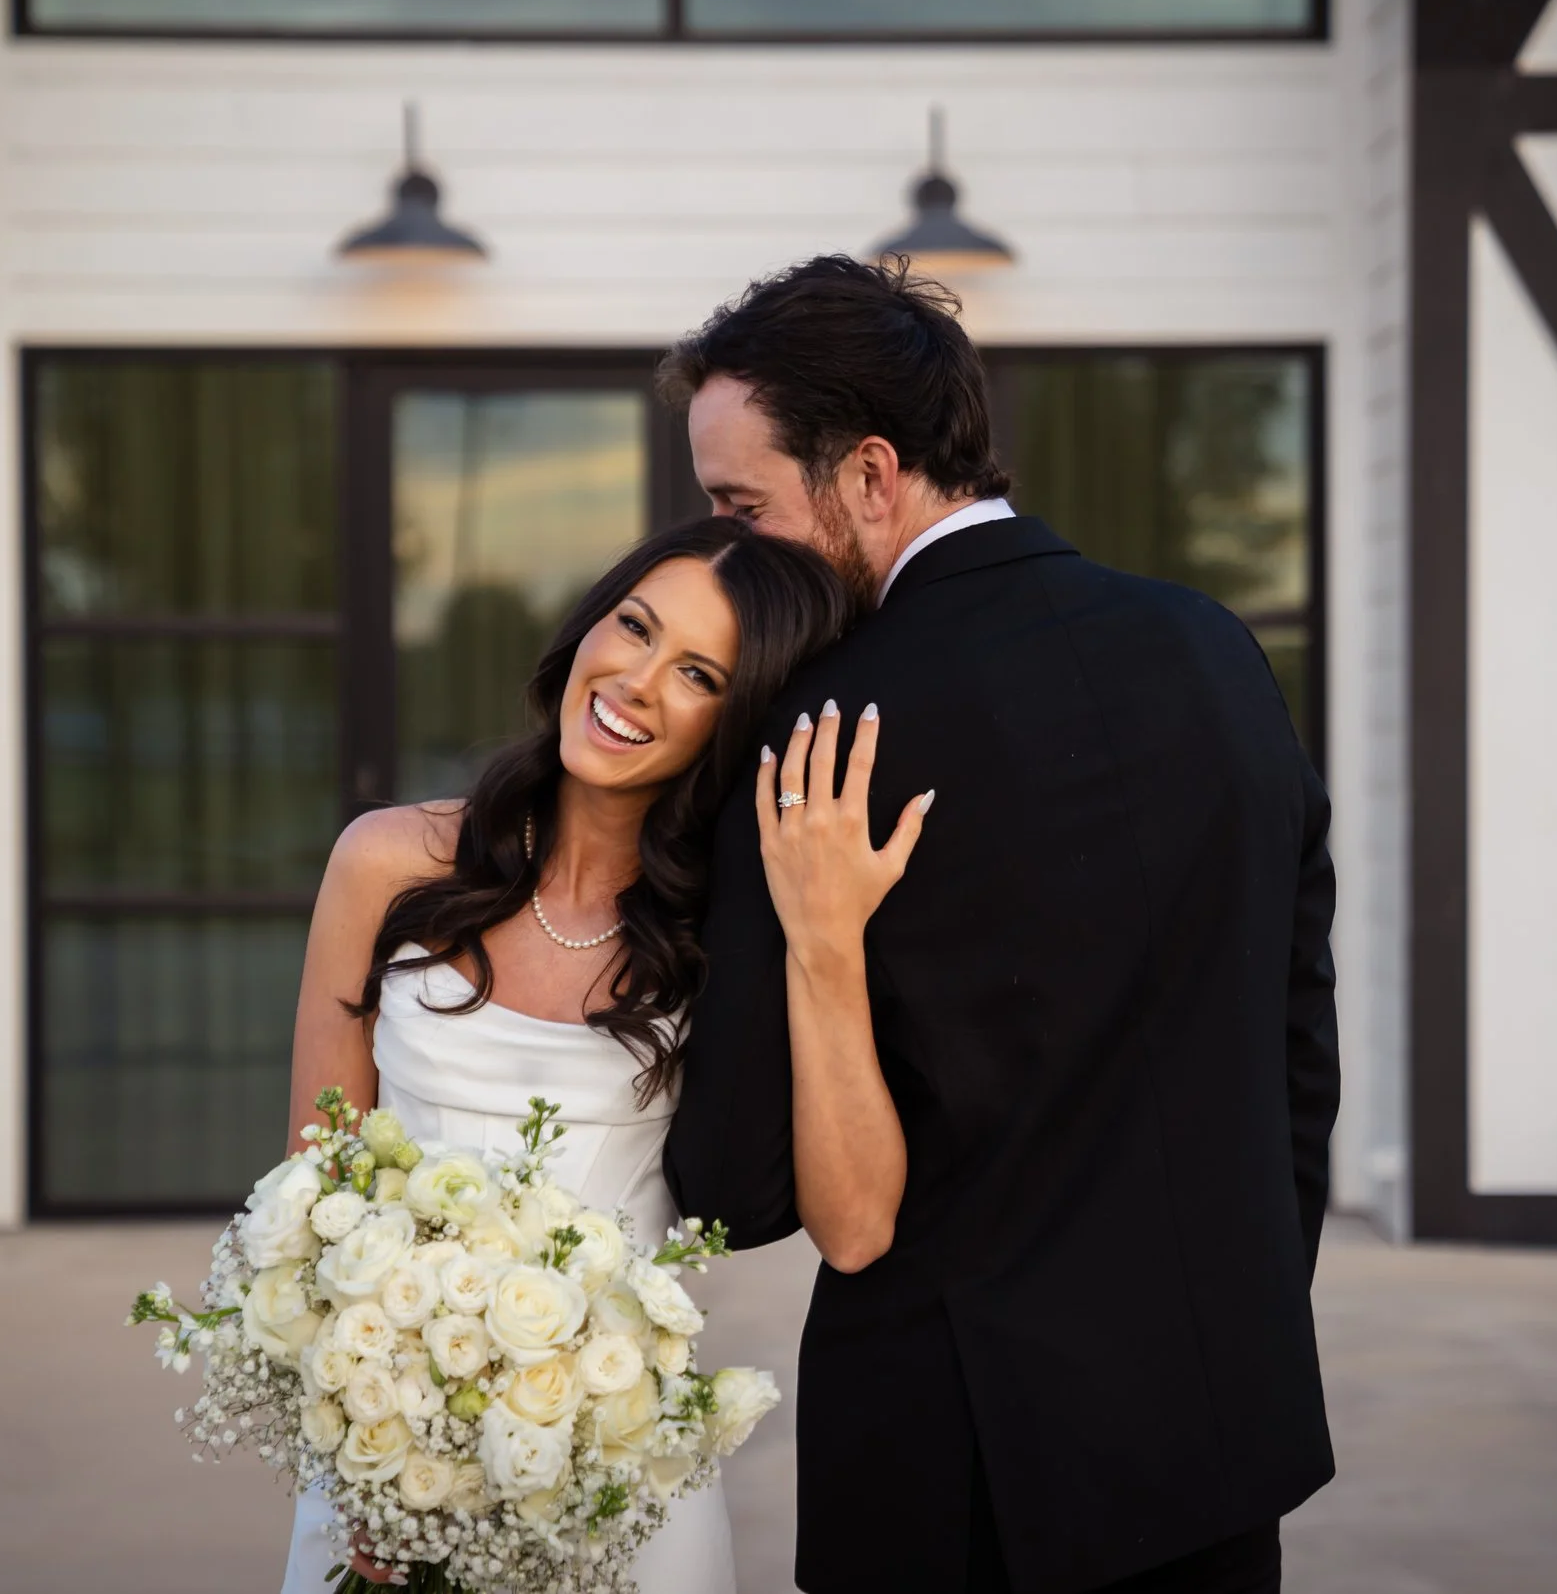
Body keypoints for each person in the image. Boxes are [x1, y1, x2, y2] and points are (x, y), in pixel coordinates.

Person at [660, 256, 1341, 1594]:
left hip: (949, 1468)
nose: (733, 550)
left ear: (868, 474)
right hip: (1215, 1426)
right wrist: (1237, 1304)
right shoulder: (1214, 648)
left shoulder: (815, 731)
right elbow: (1294, 1036)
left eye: (743, 505)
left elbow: (737, 1185)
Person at [274, 516, 875, 1593]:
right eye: (633, 625)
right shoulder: (383, 861)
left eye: (696, 672)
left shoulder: (721, 944)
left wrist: (826, 938)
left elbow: (855, 1219)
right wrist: (365, 1458)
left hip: (617, 1478)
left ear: (734, 722)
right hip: (380, 1460)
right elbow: (313, 1193)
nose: (635, 680)